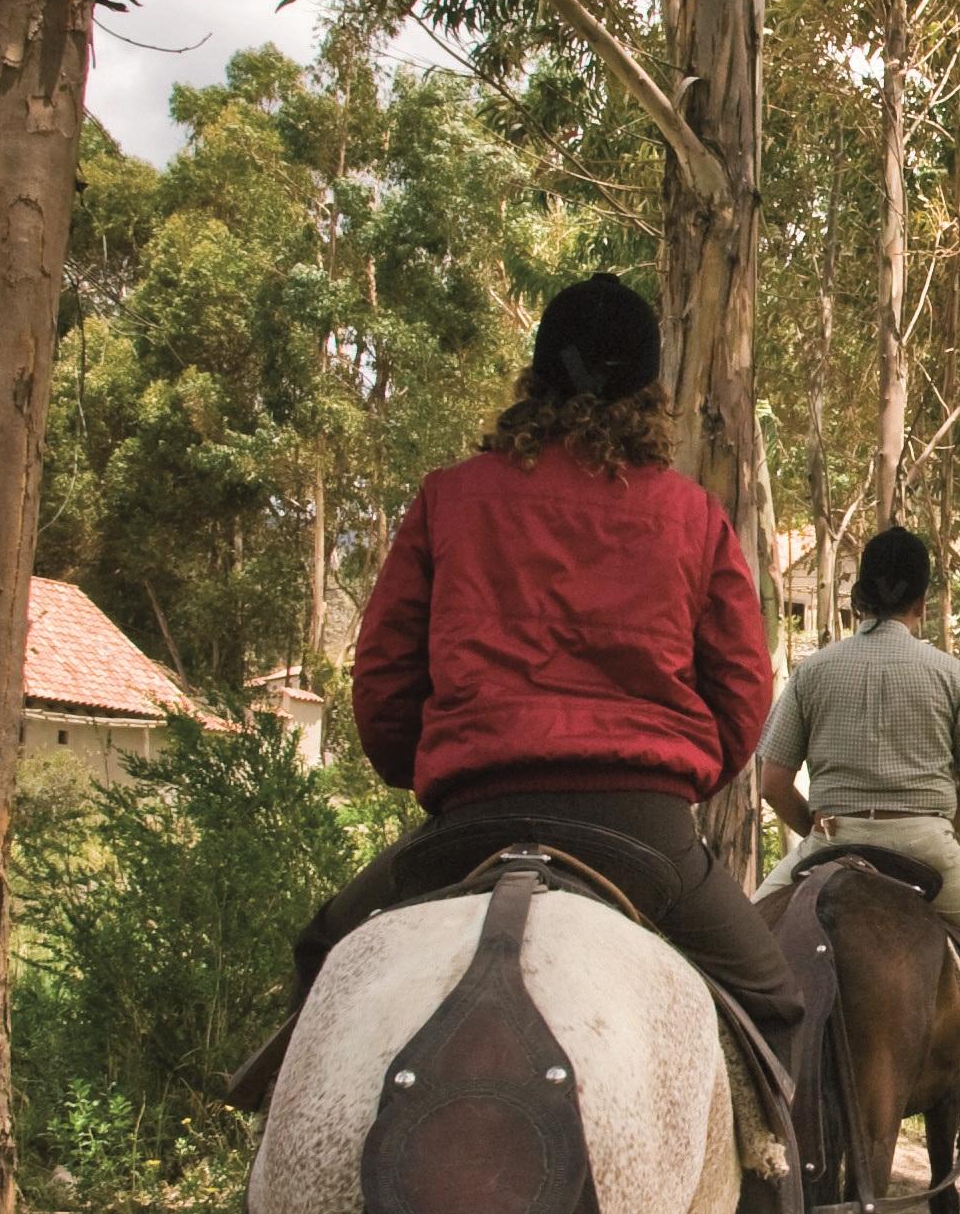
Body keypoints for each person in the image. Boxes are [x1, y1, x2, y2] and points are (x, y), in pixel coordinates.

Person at [227, 274, 802, 1124]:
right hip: (638, 830)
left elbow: (383, 680)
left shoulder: (450, 498)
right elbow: (743, 692)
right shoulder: (692, 516)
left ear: (537, 379)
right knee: (774, 1003)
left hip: (475, 818)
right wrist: (685, 777)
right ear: (650, 394)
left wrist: (430, 764)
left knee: (324, 953)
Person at [753, 527, 960, 1130]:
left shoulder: (814, 670)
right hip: (924, 844)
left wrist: (814, 829)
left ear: (859, 599)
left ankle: (743, 1086)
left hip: (831, 842)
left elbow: (773, 782)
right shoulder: (947, 672)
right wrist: (941, 826)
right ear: (922, 601)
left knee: (743, 951)